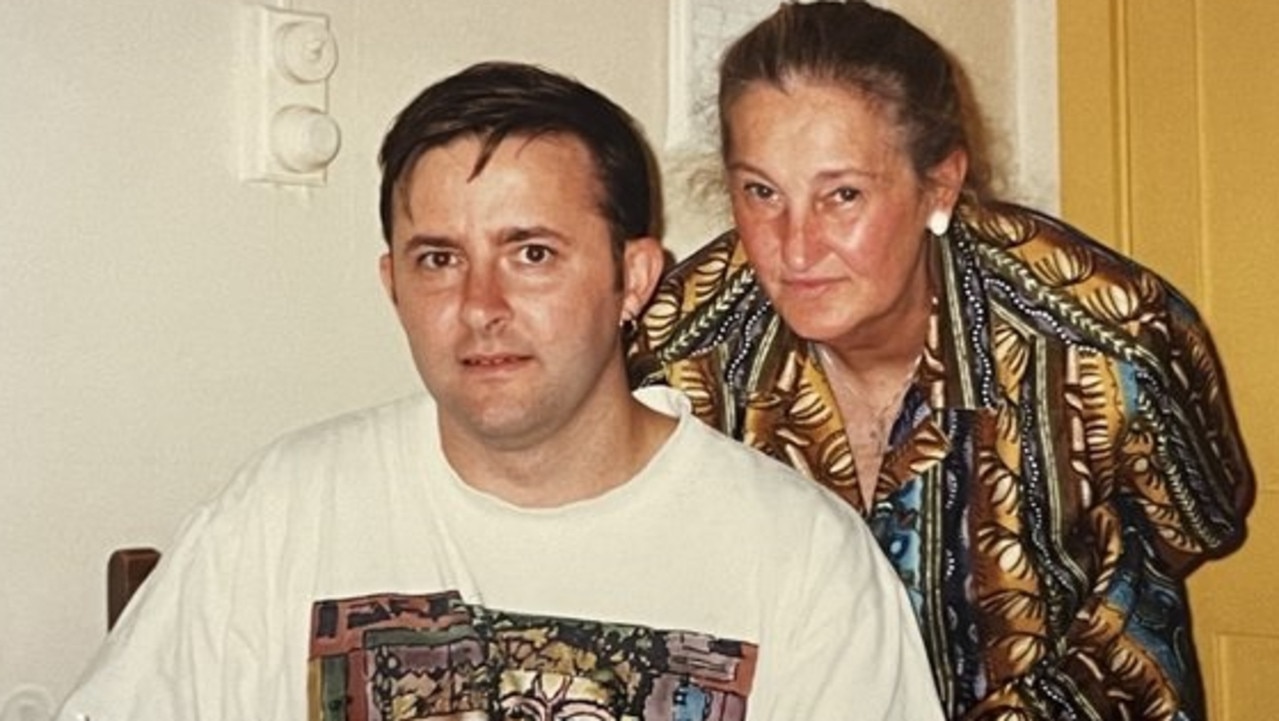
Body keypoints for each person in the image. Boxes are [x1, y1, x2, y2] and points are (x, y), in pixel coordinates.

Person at [56, 61, 941, 721]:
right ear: (391, 283)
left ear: (632, 279)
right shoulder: (282, 512)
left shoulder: (800, 561)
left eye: (532, 254)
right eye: (439, 259)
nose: (480, 307)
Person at [629, 3, 1255, 719]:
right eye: (761, 192)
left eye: (843, 195)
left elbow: (1198, 519)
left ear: (940, 184)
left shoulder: (1103, 336)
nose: (795, 247)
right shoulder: (679, 352)